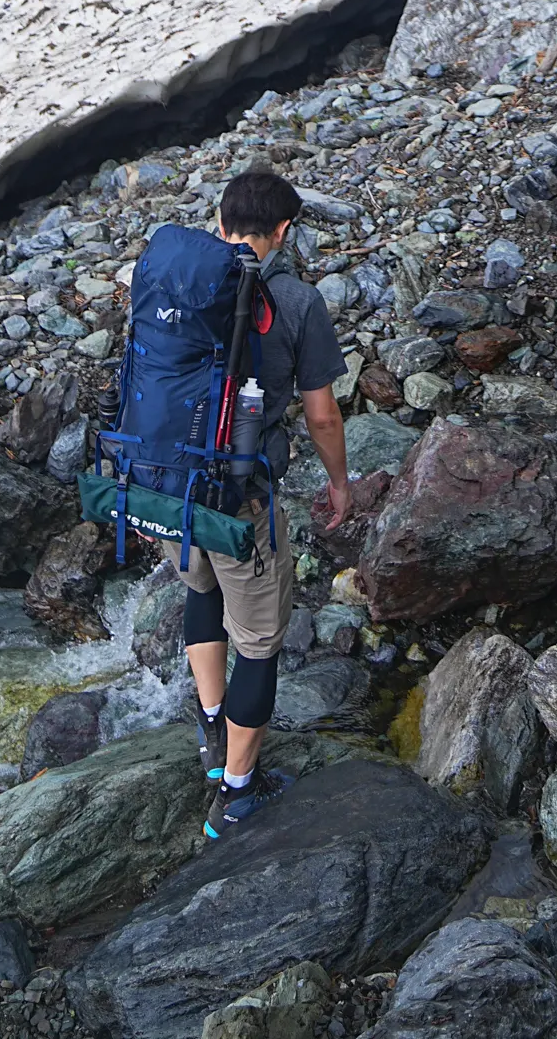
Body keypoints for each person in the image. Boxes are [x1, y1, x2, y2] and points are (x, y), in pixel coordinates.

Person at [176, 163, 350, 837]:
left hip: (171, 482)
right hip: (241, 492)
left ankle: (211, 728)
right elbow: (323, 416)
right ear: (281, 232)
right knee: (259, 642)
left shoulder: (178, 280)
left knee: (203, 592)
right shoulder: (298, 303)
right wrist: (340, 483)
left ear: (219, 223)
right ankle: (238, 790)